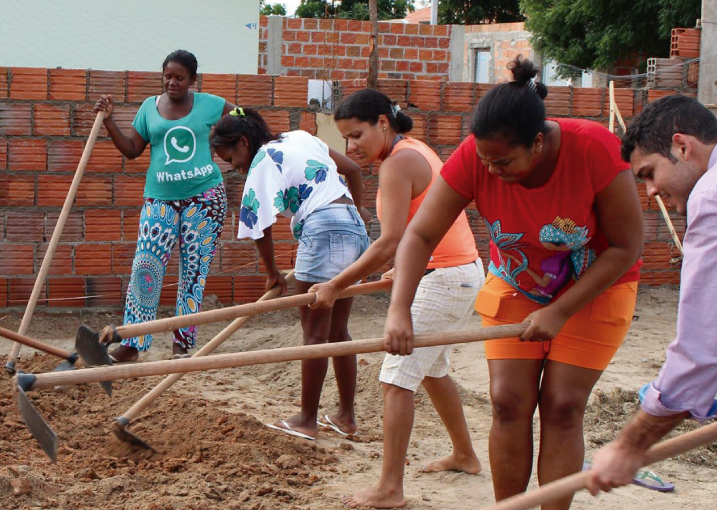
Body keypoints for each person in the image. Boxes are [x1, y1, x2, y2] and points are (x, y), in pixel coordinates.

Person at [382, 56, 644, 510]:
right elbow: (421, 234)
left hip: (597, 282)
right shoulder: (476, 157)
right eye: (484, 160)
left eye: (503, 161)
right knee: (507, 401)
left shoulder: (595, 150)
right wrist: (399, 309)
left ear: (538, 142)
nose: (491, 170)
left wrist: (560, 310)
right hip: (518, 282)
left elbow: (626, 247)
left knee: (561, 404)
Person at [309, 89, 483, 508]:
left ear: (383, 123)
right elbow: (410, 235)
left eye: (357, 135)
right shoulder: (410, 150)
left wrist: (335, 286)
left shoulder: (400, 162)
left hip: (447, 276)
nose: (352, 147)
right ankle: (465, 455)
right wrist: (407, 268)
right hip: (452, 272)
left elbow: (388, 242)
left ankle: (390, 488)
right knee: (431, 370)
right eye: (345, 139)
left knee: (394, 380)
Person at [587, 96, 717, 495]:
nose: (650, 191)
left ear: (682, 146)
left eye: (649, 173)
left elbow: (702, 348)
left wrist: (629, 445)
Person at [210, 107, 371, 440]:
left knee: (314, 333)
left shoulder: (262, 160)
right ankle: (345, 417)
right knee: (337, 331)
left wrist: (272, 274)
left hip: (322, 229)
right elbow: (353, 170)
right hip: (353, 227)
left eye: (232, 158)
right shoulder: (300, 137)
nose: (235, 167)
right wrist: (361, 212)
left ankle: (307, 420)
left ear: (244, 141)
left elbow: (259, 227)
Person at [93, 49, 235, 362]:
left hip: (205, 198)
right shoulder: (148, 108)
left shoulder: (211, 104)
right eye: (167, 76)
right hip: (159, 199)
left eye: (179, 77)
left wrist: (225, 149)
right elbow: (132, 150)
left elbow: (243, 121)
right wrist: (109, 121)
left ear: (192, 80)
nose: (172, 82)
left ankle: (182, 343)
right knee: (146, 265)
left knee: (193, 271)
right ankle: (132, 342)